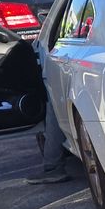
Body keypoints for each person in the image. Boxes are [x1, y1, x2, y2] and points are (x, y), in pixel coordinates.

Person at [25, 42, 68, 185]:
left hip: (56, 72)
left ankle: (53, 167)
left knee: (53, 119)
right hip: (66, 68)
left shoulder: (46, 35)